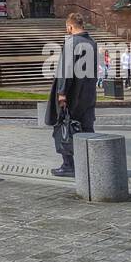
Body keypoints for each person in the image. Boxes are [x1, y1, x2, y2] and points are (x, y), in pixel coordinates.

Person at [46, 13, 97, 176]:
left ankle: (68, 165)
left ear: (70, 27)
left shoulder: (71, 43)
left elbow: (65, 70)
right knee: (87, 127)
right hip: (88, 93)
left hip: (72, 93)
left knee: (64, 126)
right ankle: (91, 163)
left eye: (66, 28)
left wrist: (62, 93)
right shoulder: (92, 43)